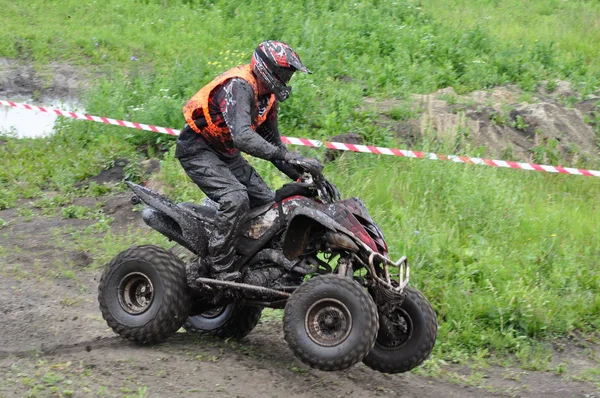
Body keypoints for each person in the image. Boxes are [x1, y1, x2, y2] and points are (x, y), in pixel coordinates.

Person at [176, 40, 321, 280]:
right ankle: (218, 264)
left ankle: (250, 262)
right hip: (197, 148)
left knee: (270, 207)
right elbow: (243, 137)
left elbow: (274, 145)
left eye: (289, 73)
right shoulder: (239, 86)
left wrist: (304, 176)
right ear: (266, 68)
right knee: (236, 199)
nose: (287, 77)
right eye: (284, 72)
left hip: (226, 152)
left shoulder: (268, 98)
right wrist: (283, 155)